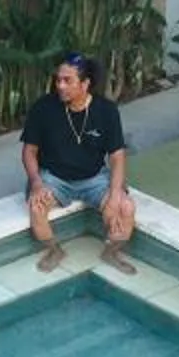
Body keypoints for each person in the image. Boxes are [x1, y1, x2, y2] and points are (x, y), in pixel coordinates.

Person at [22, 50, 138, 274]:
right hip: (54, 178)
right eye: (58, 80)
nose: (60, 86)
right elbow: (29, 151)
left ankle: (111, 252)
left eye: (68, 81)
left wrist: (115, 194)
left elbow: (117, 155)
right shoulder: (43, 108)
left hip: (94, 178)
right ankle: (54, 250)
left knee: (126, 207)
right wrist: (36, 182)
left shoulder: (106, 111)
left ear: (85, 84)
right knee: (36, 207)